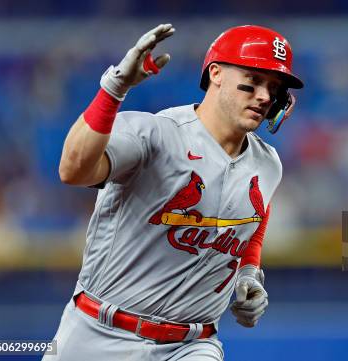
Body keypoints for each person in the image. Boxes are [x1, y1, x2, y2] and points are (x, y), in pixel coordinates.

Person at [44, 23, 303, 360]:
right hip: (98, 332)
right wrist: (114, 88)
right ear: (216, 74)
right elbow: (72, 169)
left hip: (191, 345)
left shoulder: (268, 164)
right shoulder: (154, 135)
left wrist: (249, 272)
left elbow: (253, 220)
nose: (265, 96)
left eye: (275, 87)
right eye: (253, 81)